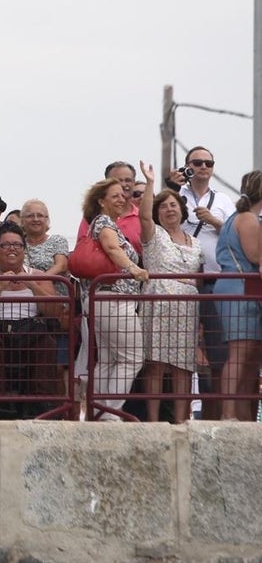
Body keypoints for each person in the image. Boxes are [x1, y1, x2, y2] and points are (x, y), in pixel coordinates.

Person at [166, 146, 236, 419]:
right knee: (181, 350)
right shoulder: (175, 196)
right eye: (197, 162)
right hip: (184, 280)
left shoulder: (224, 200)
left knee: (218, 350)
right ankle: (181, 413)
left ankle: (214, 411)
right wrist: (170, 185)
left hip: (216, 279)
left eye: (208, 163)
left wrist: (216, 222)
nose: (203, 167)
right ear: (187, 166)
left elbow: (235, 235)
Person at [137, 162, 202, 423]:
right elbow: (143, 217)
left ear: (182, 209)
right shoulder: (154, 235)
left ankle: (181, 421)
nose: (169, 209)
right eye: (162, 206)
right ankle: (153, 422)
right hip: (158, 303)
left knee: (183, 367)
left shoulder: (195, 242)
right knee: (156, 365)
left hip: (187, 308)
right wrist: (151, 182)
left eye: (173, 204)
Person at [81, 178, 149, 420]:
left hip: (103, 299)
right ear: (101, 201)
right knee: (132, 358)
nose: (122, 199)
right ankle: (110, 413)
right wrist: (134, 268)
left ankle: (100, 412)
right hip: (114, 298)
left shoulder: (99, 223)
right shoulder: (105, 223)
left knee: (109, 360)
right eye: (115, 196)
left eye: (124, 195)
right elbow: (112, 248)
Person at [0, 222, 64, 417]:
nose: (12, 249)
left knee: (47, 343)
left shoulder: (37, 275)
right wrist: (1, 286)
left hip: (30, 332)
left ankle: (42, 406)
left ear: (24, 249)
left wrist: (33, 286)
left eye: (17, 245)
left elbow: (54, 311)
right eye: (6, 245)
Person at [213, 171, 262, 421]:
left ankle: (243, 417)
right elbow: (256, 257)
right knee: (240, 354)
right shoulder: (248, 219)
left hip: (238, 287)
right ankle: (228, 414)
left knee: (249, 359)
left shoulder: (238, 217)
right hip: (240, 287)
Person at [77, 162, 143, 255]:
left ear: (134, 183)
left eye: (128, 180)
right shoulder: (92, 217)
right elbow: (82, 248)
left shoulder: (142, 217)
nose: (124, 184)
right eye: (118, 180)